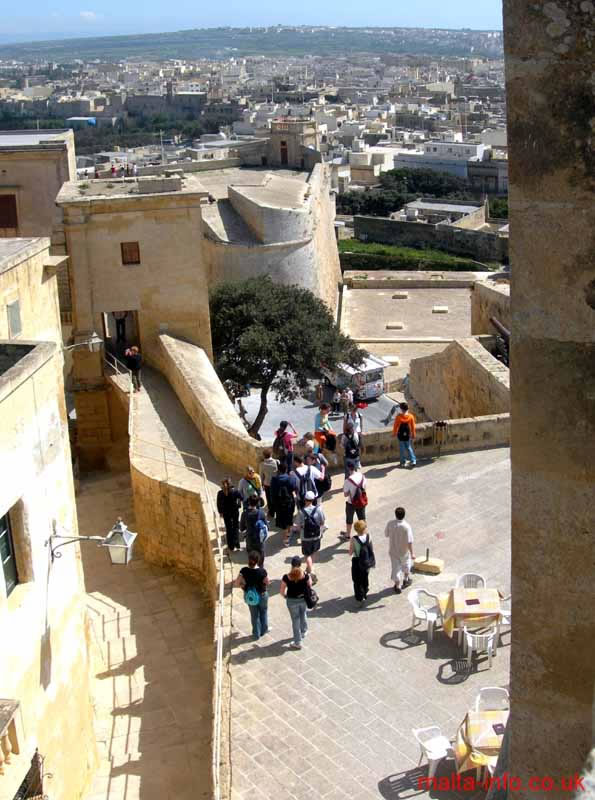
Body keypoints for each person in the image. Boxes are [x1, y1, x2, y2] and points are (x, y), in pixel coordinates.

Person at [234, 551, 269, 639]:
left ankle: (256, 634)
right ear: (258, 560)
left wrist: (243, 587)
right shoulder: (262, 571)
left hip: (250, 596)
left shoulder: (244, 571)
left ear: (249, 560)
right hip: (262, 595)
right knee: (263, 612)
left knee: (254, 615)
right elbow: (267, 582)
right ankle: (263, 630)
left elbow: (237, 583)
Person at [280, 556, 312, 649]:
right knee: (303, 614)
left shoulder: (287, 577)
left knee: (295, 620)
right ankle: (304, 630)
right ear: (300, 564)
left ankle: (297, 642)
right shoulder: (305, 575)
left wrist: (285, 596)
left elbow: (281, 591)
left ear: (291, 565)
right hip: (303, 599)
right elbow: (309, 585)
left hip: (292, 601)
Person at [295, 491, 325, 583]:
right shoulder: (318, 509)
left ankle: (311, 571)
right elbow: (322, 522)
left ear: (305, 500)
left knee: (307, 555)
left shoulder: (301, 512)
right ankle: (309, 568)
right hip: (316, 535)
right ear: (313, 500)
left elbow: (298, 526)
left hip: (305, 537)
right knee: (313, 552)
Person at [385, 507, 415, 593]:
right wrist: (412, 553)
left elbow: (386, 534)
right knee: (406, 565)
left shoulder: (390, 524)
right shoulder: (407, 526)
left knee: (395, 568)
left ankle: (397, 586)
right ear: (404, 515)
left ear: (395, 515)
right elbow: (410, 541)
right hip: (404, 551)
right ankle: (406, 579)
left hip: (393, 551)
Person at [270, 462, 298, 546]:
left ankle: (287, 535)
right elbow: (294, 487)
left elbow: (272, 492)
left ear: (278, 470)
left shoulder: (274, 479)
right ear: (286, 470)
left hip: (279, 504)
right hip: (289, 502)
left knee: (283, 521)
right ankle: (287, 537)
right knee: (289, 519)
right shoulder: (290, 478)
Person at [349, 520, 375, 604]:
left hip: (357, 561)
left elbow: (350, 552)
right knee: (365, 577)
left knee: (356, 580)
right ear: (364, 528)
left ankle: (359, 598)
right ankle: (365, 590)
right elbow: (371, 549)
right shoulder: (369, 536)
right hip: (367, 561)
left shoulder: (354, 539)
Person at [341, 462, 367, 540]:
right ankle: (364, 535)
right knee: (362, 519)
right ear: (355, 467)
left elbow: (345, 494)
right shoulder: (362, 476)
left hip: (351, 503)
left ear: (348, 468)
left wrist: (350, 491)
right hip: (361, 501)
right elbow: (364, 487)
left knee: (349, 519)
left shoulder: (348, 480)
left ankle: (348, 535)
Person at [240, 496, 267, 566]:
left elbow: (241, 528)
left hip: (250, 540)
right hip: (260, 539)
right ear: (257, 503)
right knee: (261, 557)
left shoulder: (244, 514)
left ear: (248, 502)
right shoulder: (261, 513)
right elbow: (266, 526)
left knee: (251, 559)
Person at [216, 478, 242, 551]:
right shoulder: (235, 491)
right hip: (235, 512)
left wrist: (220, 512)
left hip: (226, 513)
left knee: (229, 528)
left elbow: (218, 504)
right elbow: (241, 498)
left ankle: (231, 546)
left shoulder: (220, 493)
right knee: (236, 527)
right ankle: (237, 544)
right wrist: (239, 505)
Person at [392, 402, 417, 467]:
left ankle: (403, 462)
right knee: (409, 447)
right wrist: (413, 434)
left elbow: (395, 426)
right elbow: (413, 426)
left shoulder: (398, 417)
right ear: (407, 409)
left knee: (402, 449)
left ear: (401, 409)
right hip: (407, 435)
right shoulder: (411, 416)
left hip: (400, 435)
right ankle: (413, 460)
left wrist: (394, 433)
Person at [259, 449, 279, 519]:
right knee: (276, 498)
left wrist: (261, 485)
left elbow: (261, 476)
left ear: (264, 456)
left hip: (267, 484)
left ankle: (271, 513)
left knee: (269, 499)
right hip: (276, 483)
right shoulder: (276, 462)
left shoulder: (262, 464)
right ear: (271, 454)